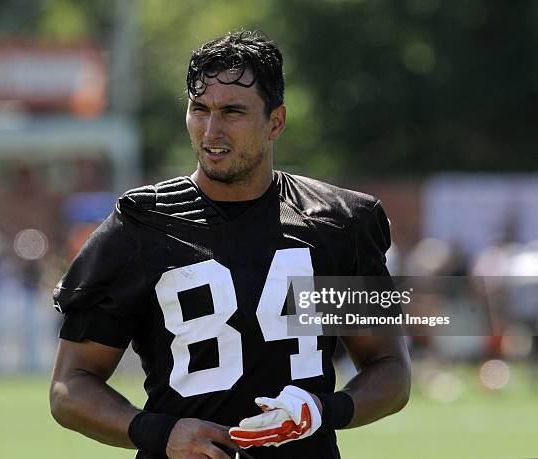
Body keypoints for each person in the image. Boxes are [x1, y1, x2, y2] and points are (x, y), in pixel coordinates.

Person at [49, 30, 411, 459]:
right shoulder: (140, 226)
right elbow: (70, 386)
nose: (211, 130)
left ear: (275, 121)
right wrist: (158, 433)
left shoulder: (337, 222)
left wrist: (323, 410)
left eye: (233, 111)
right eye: (199, 109)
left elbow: (390, 369)